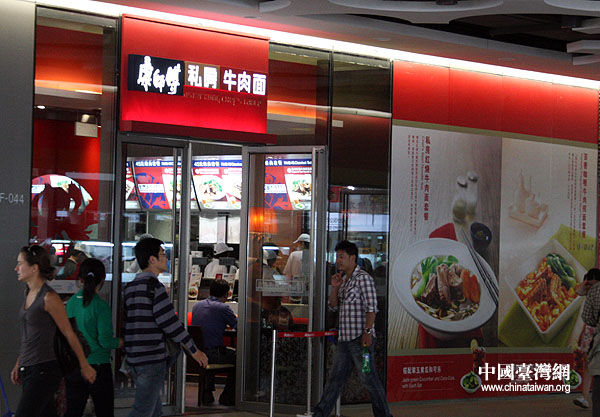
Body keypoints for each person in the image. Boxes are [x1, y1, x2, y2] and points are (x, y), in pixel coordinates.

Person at [124, 237, 208, 417]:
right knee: (143, 410)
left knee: (154, 410)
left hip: (134, 357)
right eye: (162, 254)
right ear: (152, 259)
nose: (166, 258)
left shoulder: (130, 287)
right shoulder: (155, 288)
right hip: (151, 357)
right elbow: (170, 323)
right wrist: (194, 350)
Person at [11, 245, 96, 417]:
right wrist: (19, 362)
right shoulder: (28, 293)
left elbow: (68, 332)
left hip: (44, 369)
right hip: (30, 368)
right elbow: (30, 335)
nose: (16, 268)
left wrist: (84, 365)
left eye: (20, 264)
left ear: (34, 268)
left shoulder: (49, 298)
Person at [312, 240, 393, 417]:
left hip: (360, 341)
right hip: (344, 340)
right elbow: (333, 306)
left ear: (352, 258)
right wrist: (335, 288)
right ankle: (320, 413)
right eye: (337, 256)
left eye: (341, 256)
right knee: (335, 380)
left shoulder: (363, 279)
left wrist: (368, 332)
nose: (338, 260)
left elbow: (372, 308)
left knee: (369, 379)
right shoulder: (344, 280)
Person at [65, 258, 123, 417]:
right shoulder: (101, 306)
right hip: (98, 366)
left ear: (80, 280)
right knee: (104, 412)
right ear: (102, 280)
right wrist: (121, 342)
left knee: (73, 412)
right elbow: (105, 341)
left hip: (75, 365)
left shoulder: (71, 303)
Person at [191, 279, 238, 405]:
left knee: (211, 348)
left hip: (196, 353)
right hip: (213, 354)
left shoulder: (196, 306)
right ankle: (228, 395)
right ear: (226, 294)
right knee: (240, 358)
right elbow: (238, 327)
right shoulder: (223, 308)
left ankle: (207, 392)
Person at [576, 268, 600, 410]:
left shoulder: (594, 291)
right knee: (587, 362)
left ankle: (587, 398)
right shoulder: (591, 290)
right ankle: (584, 397)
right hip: (591, 330)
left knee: (594, 364)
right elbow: (578, 291)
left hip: (595, 330)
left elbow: (587, 316)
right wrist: (586, 283)